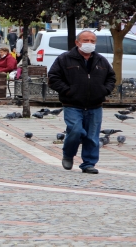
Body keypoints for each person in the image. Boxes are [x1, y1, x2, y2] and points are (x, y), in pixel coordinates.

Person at [48, 30, 116, 174]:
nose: (89, 44)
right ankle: (68, 154)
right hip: (72, 104)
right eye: (86, 40)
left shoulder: (101, 60)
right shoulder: (65, 59)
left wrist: (105, 90)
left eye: (92, 41)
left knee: (92, 136)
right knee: (76, 130)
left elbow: (111, 77)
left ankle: (88, 163)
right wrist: (68, 91)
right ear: (77, 42)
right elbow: (53, 78)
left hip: (95, 105)